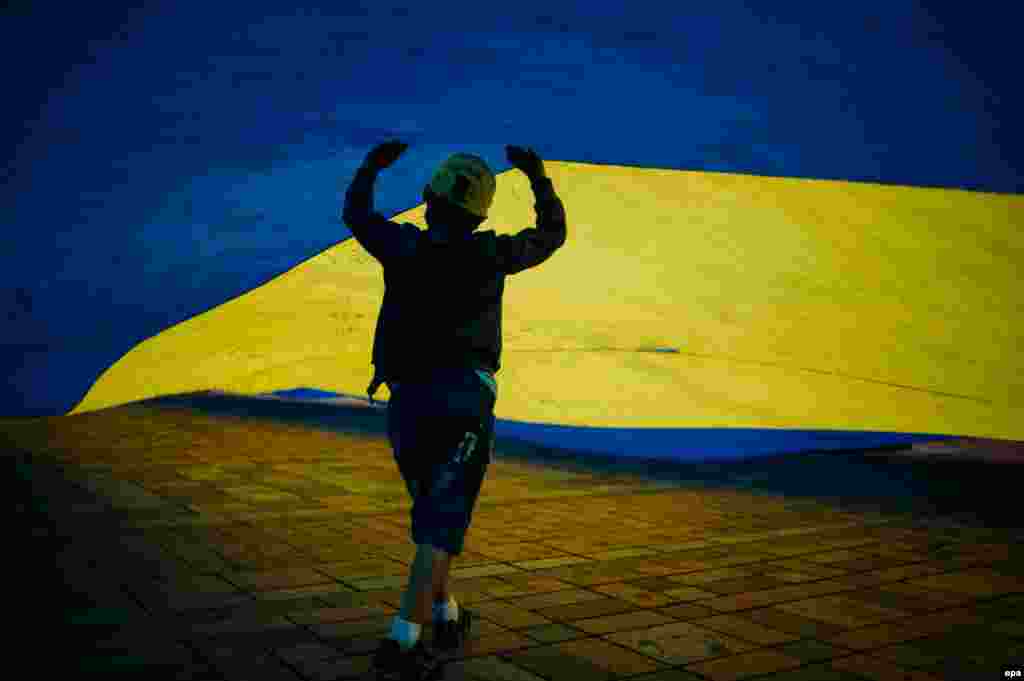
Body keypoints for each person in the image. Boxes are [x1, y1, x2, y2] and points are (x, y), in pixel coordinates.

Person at [342, 141, 567, 679]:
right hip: (463, 403)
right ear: (479, 214)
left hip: (409, 403)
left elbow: (356, 214)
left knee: (432, 520)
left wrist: (372, 166)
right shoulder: (491, 254)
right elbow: (551, 236)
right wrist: (537, 176)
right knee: (440, 527)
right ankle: (402, 641)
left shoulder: (401, 247)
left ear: (427, 201)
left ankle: (446, 614)